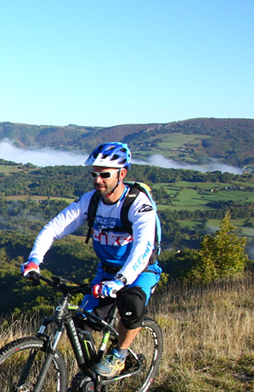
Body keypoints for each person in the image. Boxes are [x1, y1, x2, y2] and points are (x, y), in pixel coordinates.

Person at [21, 142, 162, 377]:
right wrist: (34, 260)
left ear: (122, 174)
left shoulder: (138, 205)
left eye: (105, 175)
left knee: (131, 304)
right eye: (94, 174)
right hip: (106, 270)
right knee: (80, 323)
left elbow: (143, 247)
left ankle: (120, 356)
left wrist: (121, 280)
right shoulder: (90, 201)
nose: (98, 180)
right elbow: (53, 229)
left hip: (140, 270)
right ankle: (91, 374)